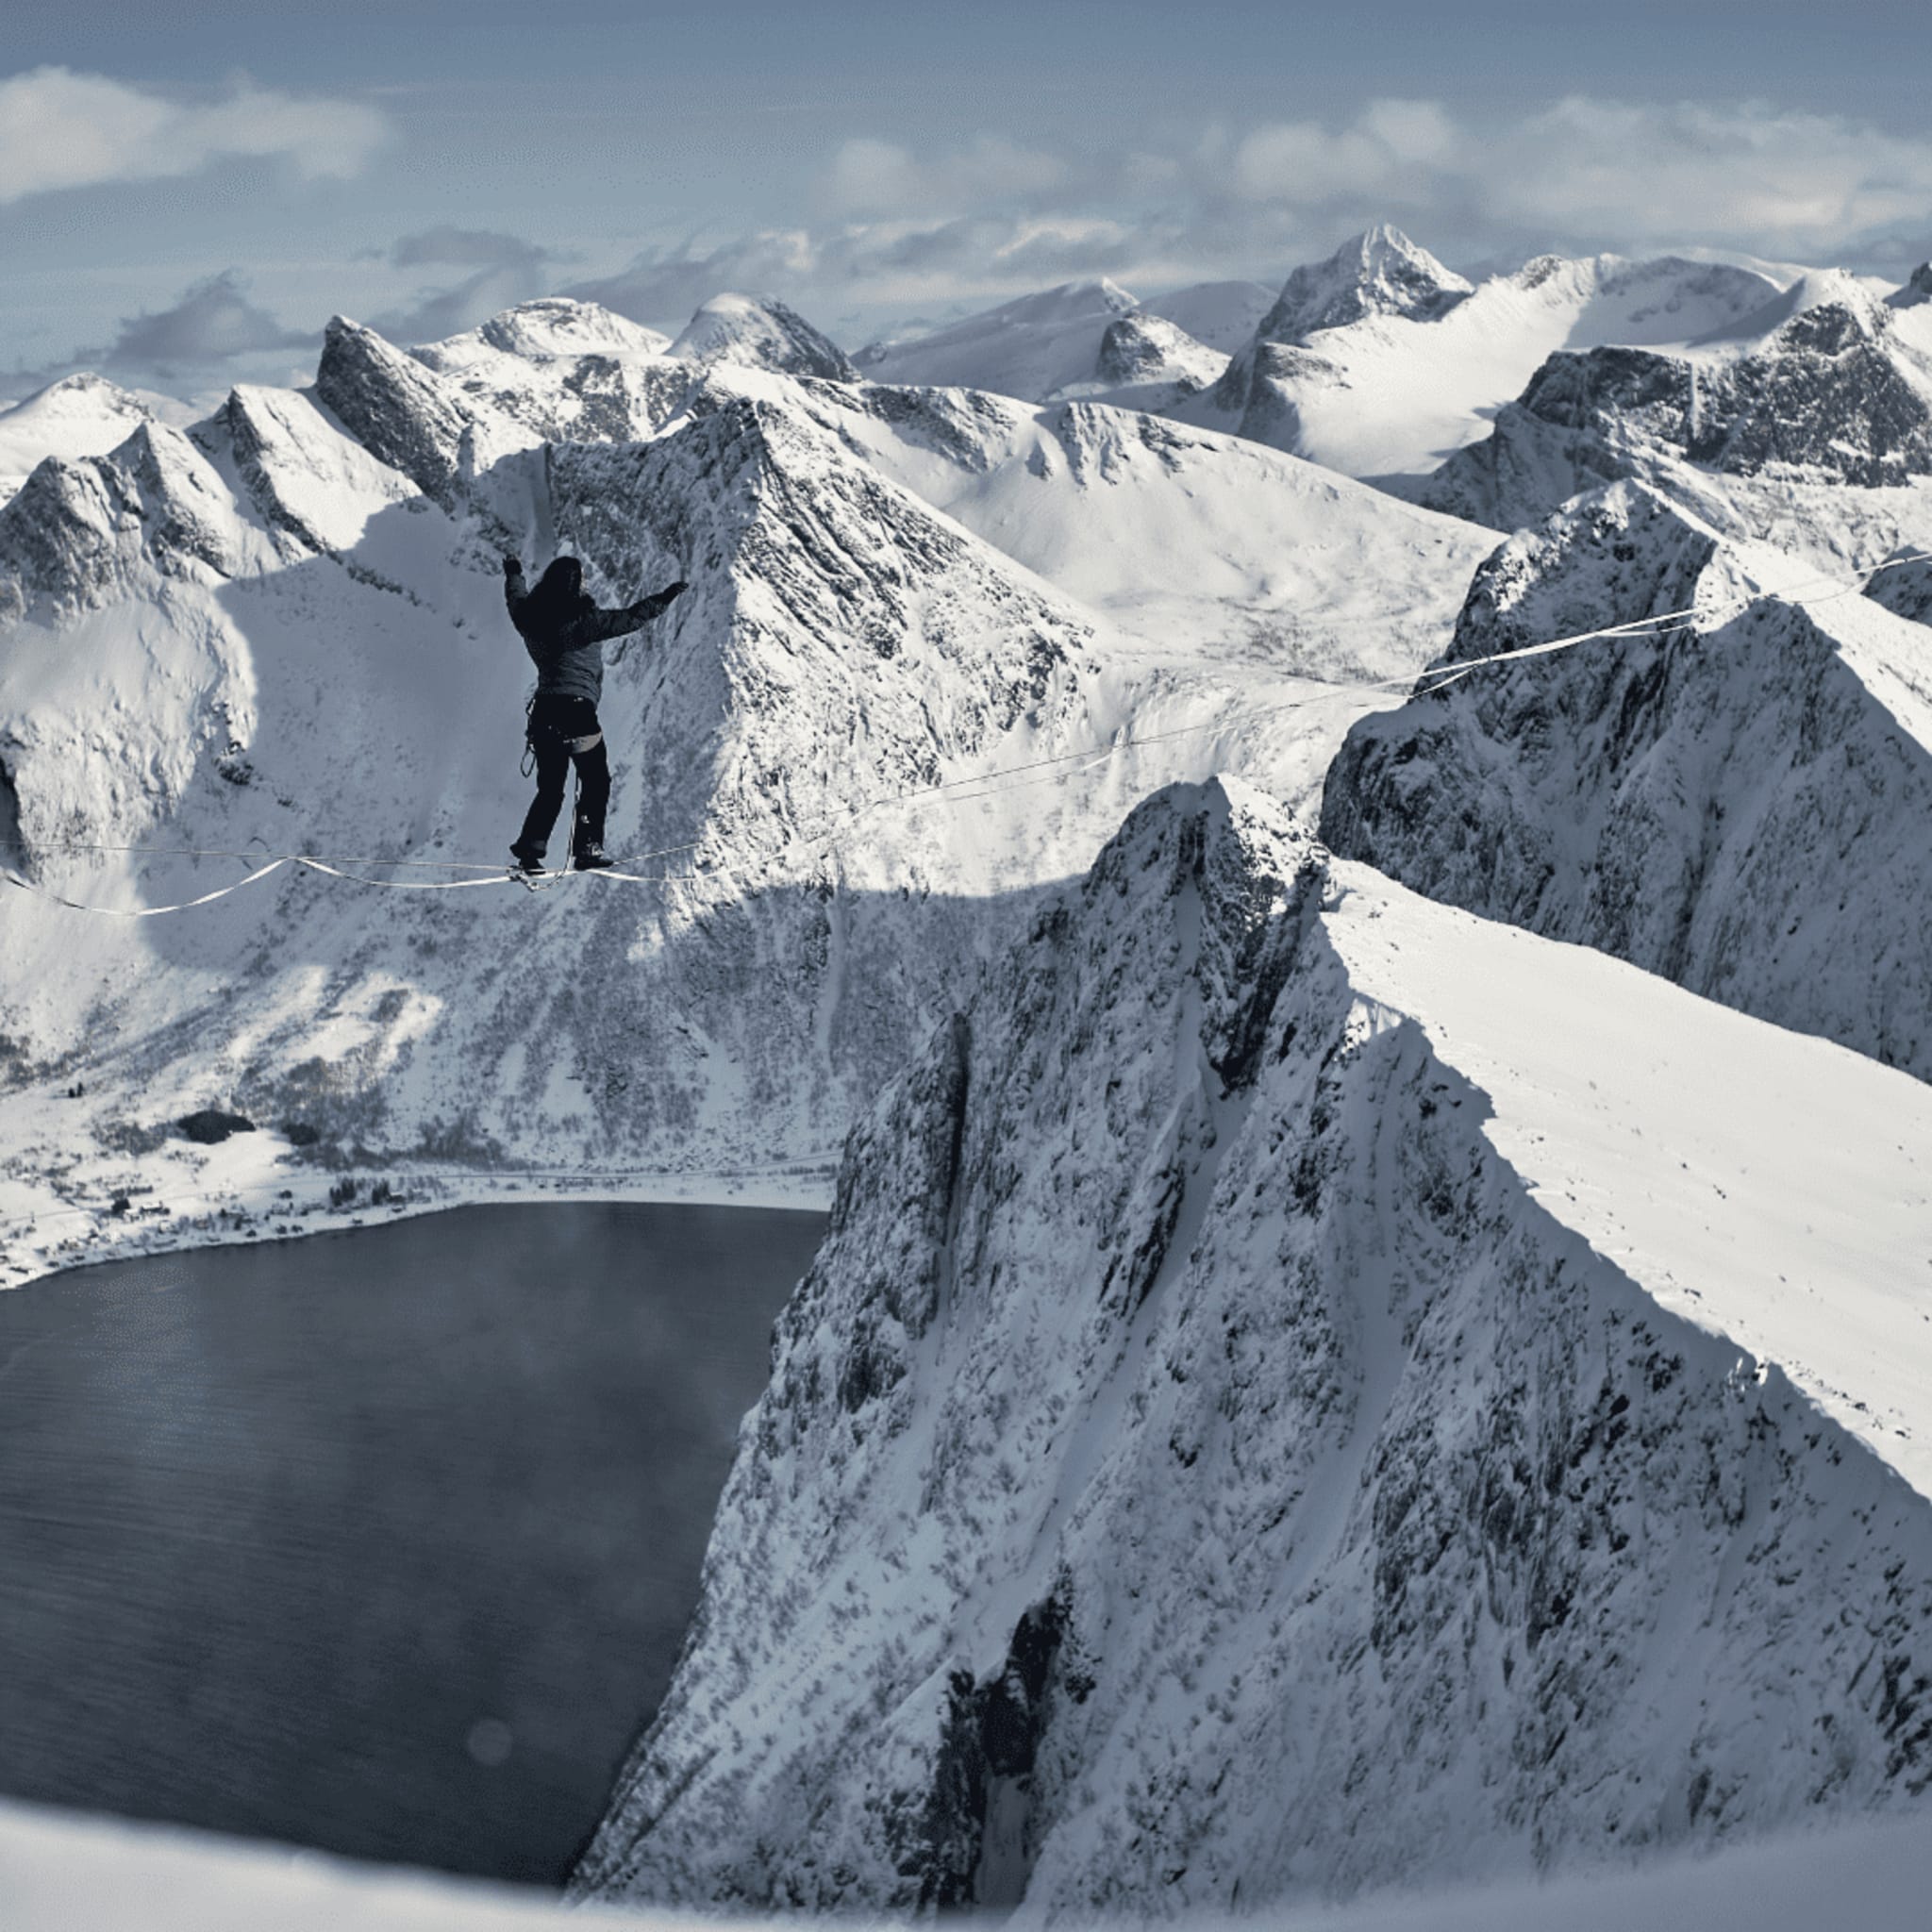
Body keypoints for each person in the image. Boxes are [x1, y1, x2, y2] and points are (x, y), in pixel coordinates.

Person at [503, 554, 686, 874]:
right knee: (595, 780)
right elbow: (631, 618)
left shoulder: (529, 620)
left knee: (550, 789)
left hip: (544, 714)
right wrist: (664, 598)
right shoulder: (585, 622)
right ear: (575, 585)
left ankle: (530, 853)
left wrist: (515, 573)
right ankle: (587, 847)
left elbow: (516, 599)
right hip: (577, 713)